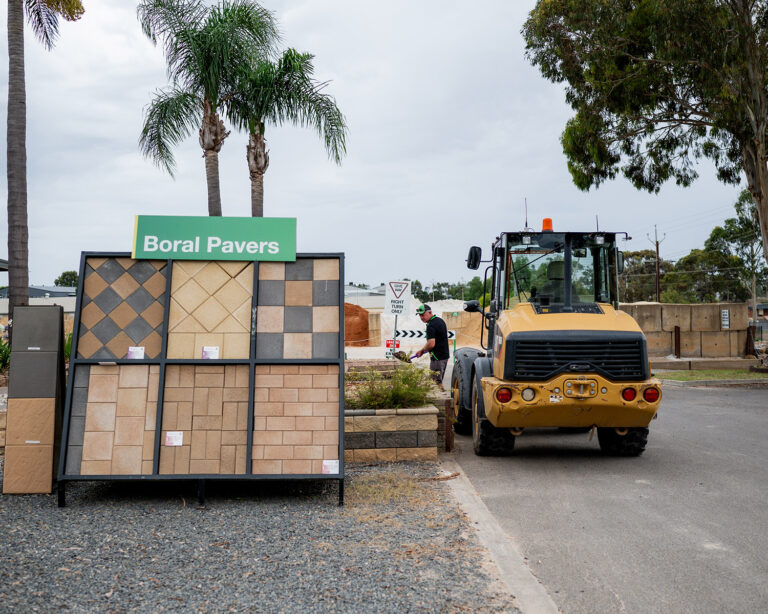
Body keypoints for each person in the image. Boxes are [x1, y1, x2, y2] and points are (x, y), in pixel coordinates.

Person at [413, 304, 450, 386]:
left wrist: (422, 350)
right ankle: (442, 393)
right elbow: (439, 340)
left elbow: (431, 343)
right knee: (438, 382)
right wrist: (423, 350)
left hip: (437, 358)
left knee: (434, 384)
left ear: (430, 312)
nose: (421, 318)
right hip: (444, 356)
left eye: (423, 315)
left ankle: (441, 394)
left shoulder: (431, 325)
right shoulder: (440, 320)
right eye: (420, 315)